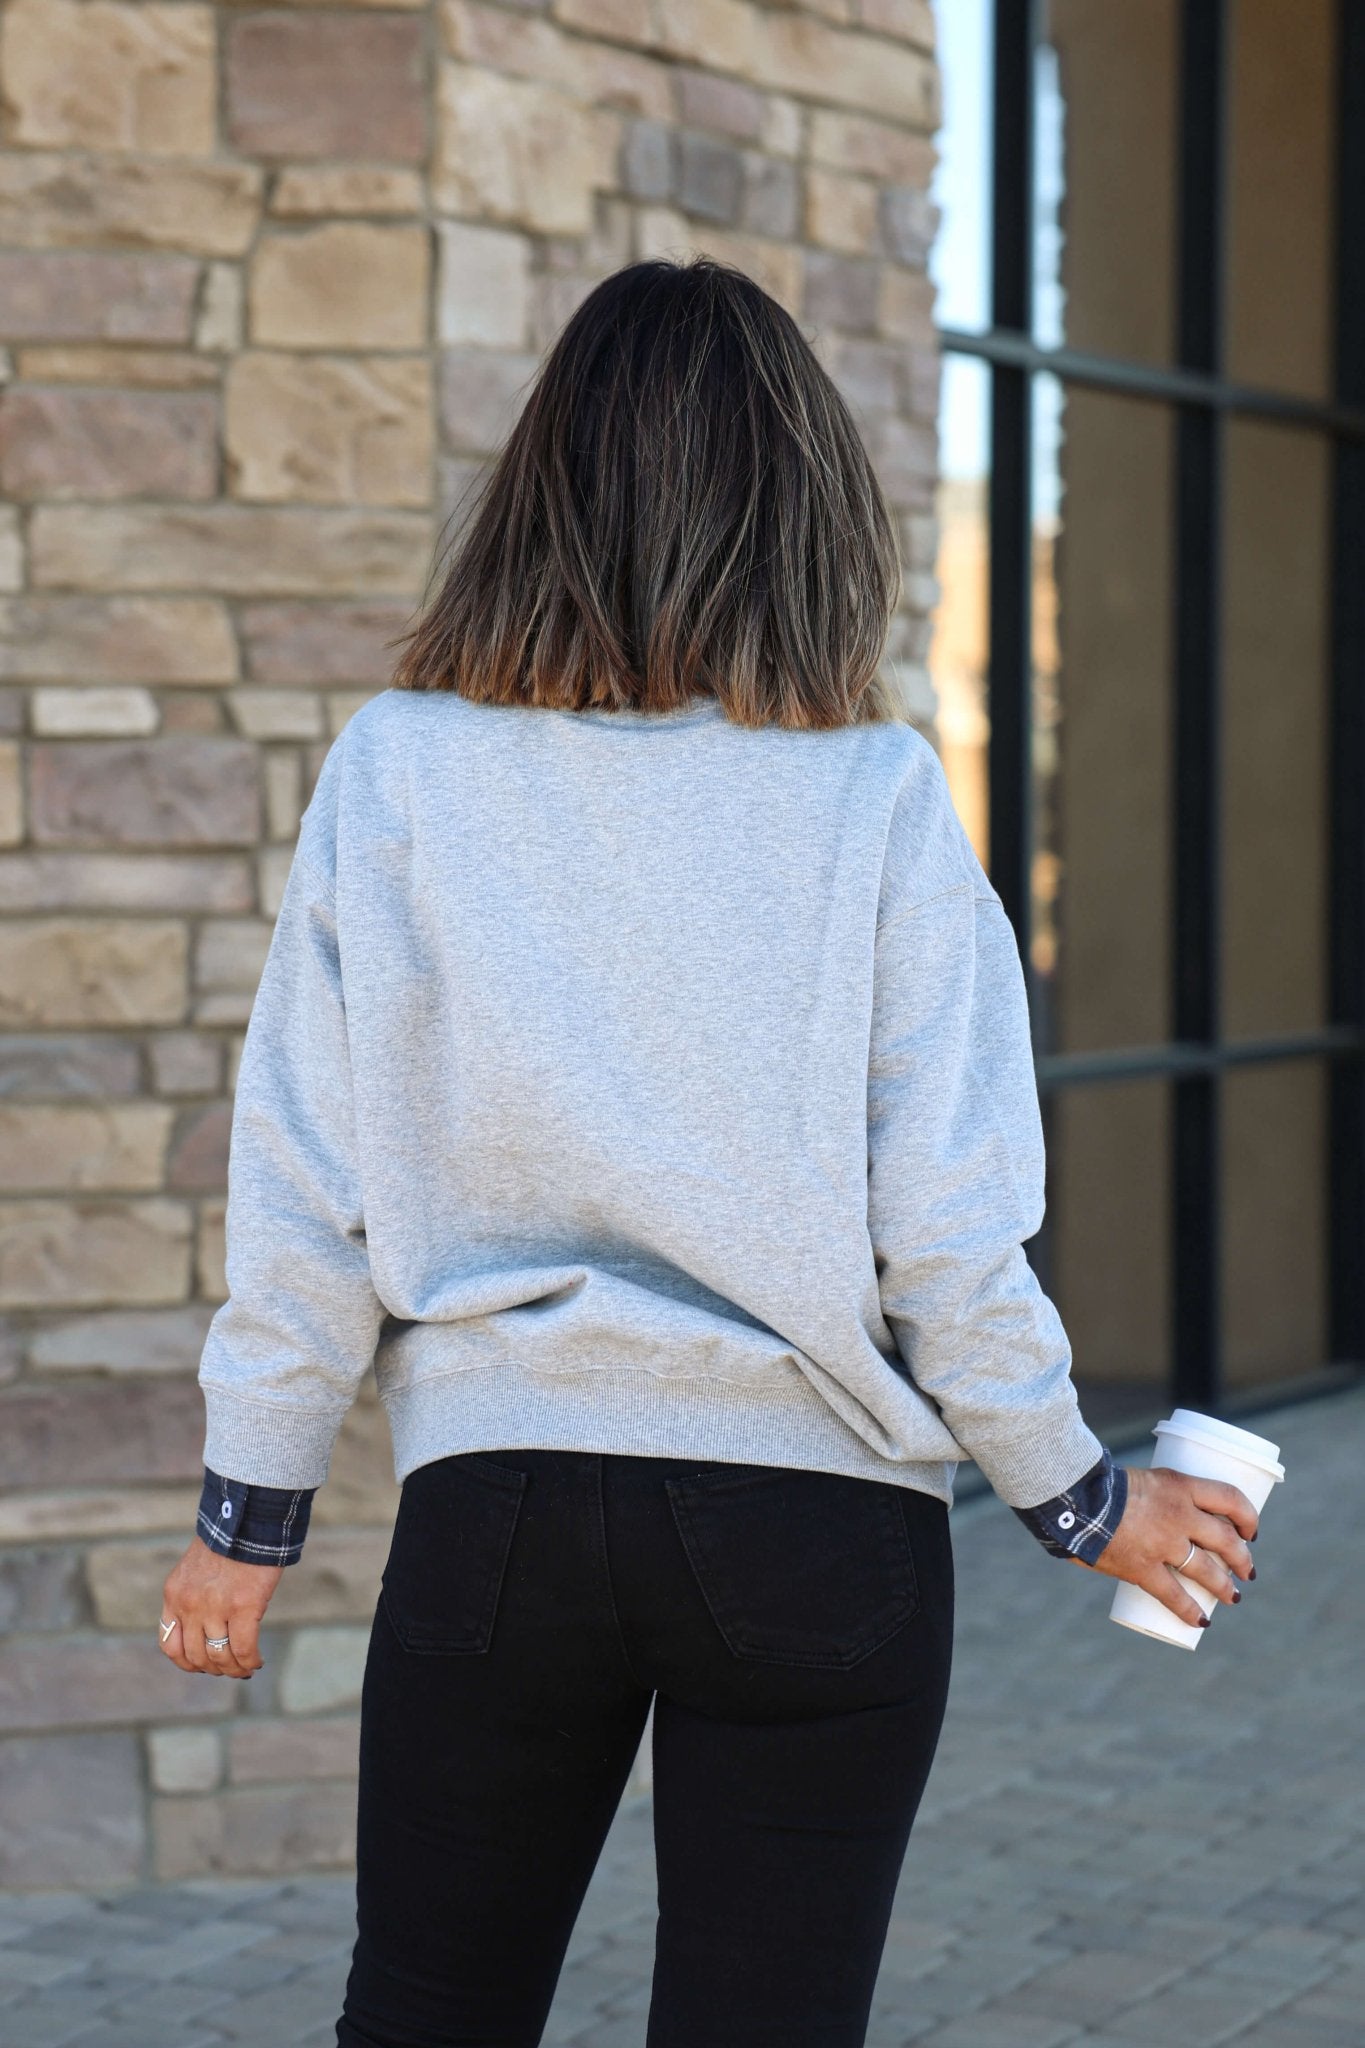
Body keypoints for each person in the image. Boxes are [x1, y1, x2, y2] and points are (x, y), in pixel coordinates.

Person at [155, 257, 1259, 2048]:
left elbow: (302, 1180)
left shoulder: (400, 771)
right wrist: (1076, 1500)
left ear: (538, 491)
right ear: (803, 513)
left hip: (499, 1511)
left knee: (425, 2018)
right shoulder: (877, 798)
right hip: (817, 1532)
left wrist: (246, 1515)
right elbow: (947, 1236)